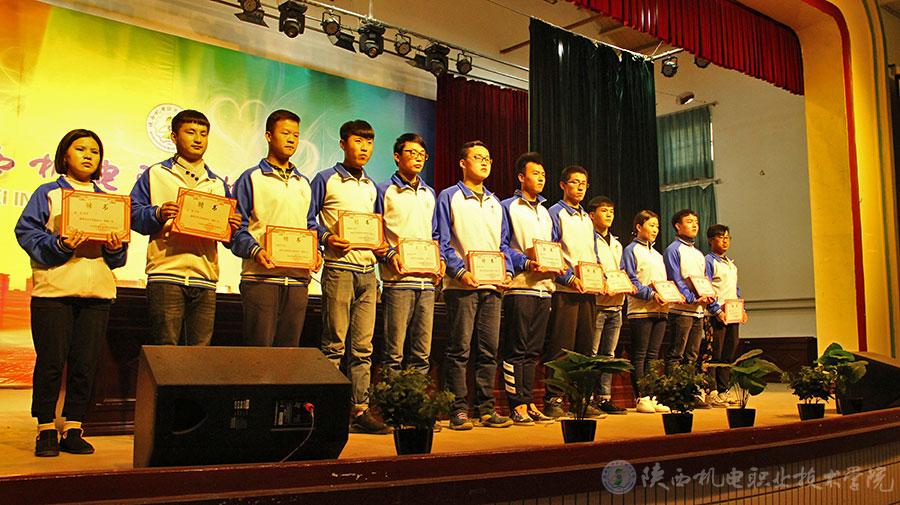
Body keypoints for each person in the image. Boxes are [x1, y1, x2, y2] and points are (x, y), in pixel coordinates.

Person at [15, 129, 127, 456]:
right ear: (65, 155)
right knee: (51, 363)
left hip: (97, 294)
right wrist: (60, 244)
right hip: (54, 291)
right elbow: (26, 232)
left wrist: (115, 248)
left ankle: (74, 427)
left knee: (85, 364)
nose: (89, 156)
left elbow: (118, 256)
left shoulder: (110, 201)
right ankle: (46, 428)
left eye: (94, 151)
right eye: (81, 149)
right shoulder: (48, 193)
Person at [130, 109, 241, 346]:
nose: (198, 139)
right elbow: (132, 214)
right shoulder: (156, 174)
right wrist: (157, 213)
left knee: (199, 357)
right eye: (190, 132)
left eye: (203, 133)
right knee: (165, 353)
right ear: (174, 137)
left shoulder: (217, 183)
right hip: (165, 275)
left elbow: (230, 237)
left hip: (205, 278)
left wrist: (232, 228)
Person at [309, 119, 391, 434]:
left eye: (369, 142)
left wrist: (381, 246)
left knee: (363, 349)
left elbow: (378, 226)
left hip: (369, 273)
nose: (364, 148)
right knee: (333, 345)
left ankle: (360, 410)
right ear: (343, 144)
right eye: (358, 141)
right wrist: (327, 237)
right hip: (339, 269)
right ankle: (328, 413)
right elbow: (308, 219)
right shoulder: (325, 179)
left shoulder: (372, 186)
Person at [437, 140, 513, 430]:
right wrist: (459, 272)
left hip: (492, 287)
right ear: (462, 162)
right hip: (462, 286)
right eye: (478, 157)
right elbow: (442, 241)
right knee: (459, 349)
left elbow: (503, 244)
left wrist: (507, 271)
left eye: (488, 158)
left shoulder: (496, 202)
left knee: (488, 350)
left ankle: (485, 408)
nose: (484, 162)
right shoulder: (449, 196)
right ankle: (457, 409)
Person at [231, 109, 322, 347]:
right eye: (285, 133)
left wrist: (316, 252)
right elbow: (235, 229)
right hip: (261, 278)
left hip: (298, 281)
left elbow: (310, 226)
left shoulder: (304, 183)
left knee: (289, 355)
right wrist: (255, 251)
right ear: (269, 136)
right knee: (258, 354)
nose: (292, 139)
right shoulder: (251, 178)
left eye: (296, 135)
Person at [375, 133, 443, 374]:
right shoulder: (383, 190)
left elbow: (436, 233)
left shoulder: (429, 193)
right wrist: (389, 255)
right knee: (393, 353)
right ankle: (392, 397)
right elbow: (375, 232)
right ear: (397, 156)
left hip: (427, 283)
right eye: (411, 153)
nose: (418, 158)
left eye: (422, 154)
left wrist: (440, 260)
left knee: (422, 354)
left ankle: (416, 397)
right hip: (398, 281)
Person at [499, 152, 558, 425]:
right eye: (535, 174)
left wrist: (555, 265)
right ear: (521, 177)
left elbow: (553, 247)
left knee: (533, 351)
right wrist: (525, 262)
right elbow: (502, 245)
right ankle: (516, 404)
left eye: (543, 174)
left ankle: (529, 400)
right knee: (517, 349)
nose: (541, 178)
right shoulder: (508, 206)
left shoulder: (546, 212)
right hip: (520, 287)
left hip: (544, 289)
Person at [542, 165, 601, 419]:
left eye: (584, 183)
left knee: (584, 348)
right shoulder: (554, 213)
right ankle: (553, 399)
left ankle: (580, 401)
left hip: (588, 290)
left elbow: (593, 253)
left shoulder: (587, 218)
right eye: (575, 182)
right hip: (564, 291)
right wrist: (568, 277)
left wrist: (601, 277)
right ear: (563, 185)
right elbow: (550, 251)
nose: (580, 187)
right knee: (562, 348)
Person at [622, 210, 672, 414]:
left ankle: (652, 396)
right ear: (638, 227)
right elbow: (630, 280)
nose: (655, 230)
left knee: (653, 355)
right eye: (651, 225)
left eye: (657, 226)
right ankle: (641, 396)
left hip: (660, 310)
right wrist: (651, 294)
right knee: (640, 355)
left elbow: (664, 283)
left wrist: (667, 295)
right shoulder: (631, 250)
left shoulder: (658, 255)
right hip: (640, 310)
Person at [586, 196, 629, 415]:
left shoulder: (617, 243)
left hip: (616, 305)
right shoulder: (587, 239)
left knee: (608, 355)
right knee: (592, 354)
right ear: (591, 215)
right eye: (604, 211)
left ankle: (604, 398)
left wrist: (626, 284)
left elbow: (621, 271)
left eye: (611, 211)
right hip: (597, 304)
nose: (609, 214)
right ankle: (587, 399)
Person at [663, 209, 714, 378]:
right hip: (681, 310)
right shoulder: (673, 250)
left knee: (692, 354)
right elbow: (674, 278)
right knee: (676, 353)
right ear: (678, 226)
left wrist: (708, 297)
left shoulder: (698, 253)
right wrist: (692, 298)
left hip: (698, 311)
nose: (694, 225)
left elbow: (705, 280)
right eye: (689, 222)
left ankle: (689, 387)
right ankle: (673, 389)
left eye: (696, 222)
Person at [704, 224, 748, 407]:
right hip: (715, 315)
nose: (725, 241)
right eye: (720, 237)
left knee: (729, 352)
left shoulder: (731, 264)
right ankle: (711, 391)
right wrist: (716, 310)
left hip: (732, 315)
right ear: (710, 240)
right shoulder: (708, 261)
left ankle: (724, 390)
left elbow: (735, 289)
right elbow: (706, 287)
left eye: (727, 237)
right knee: (714, 352)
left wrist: (741, 309)